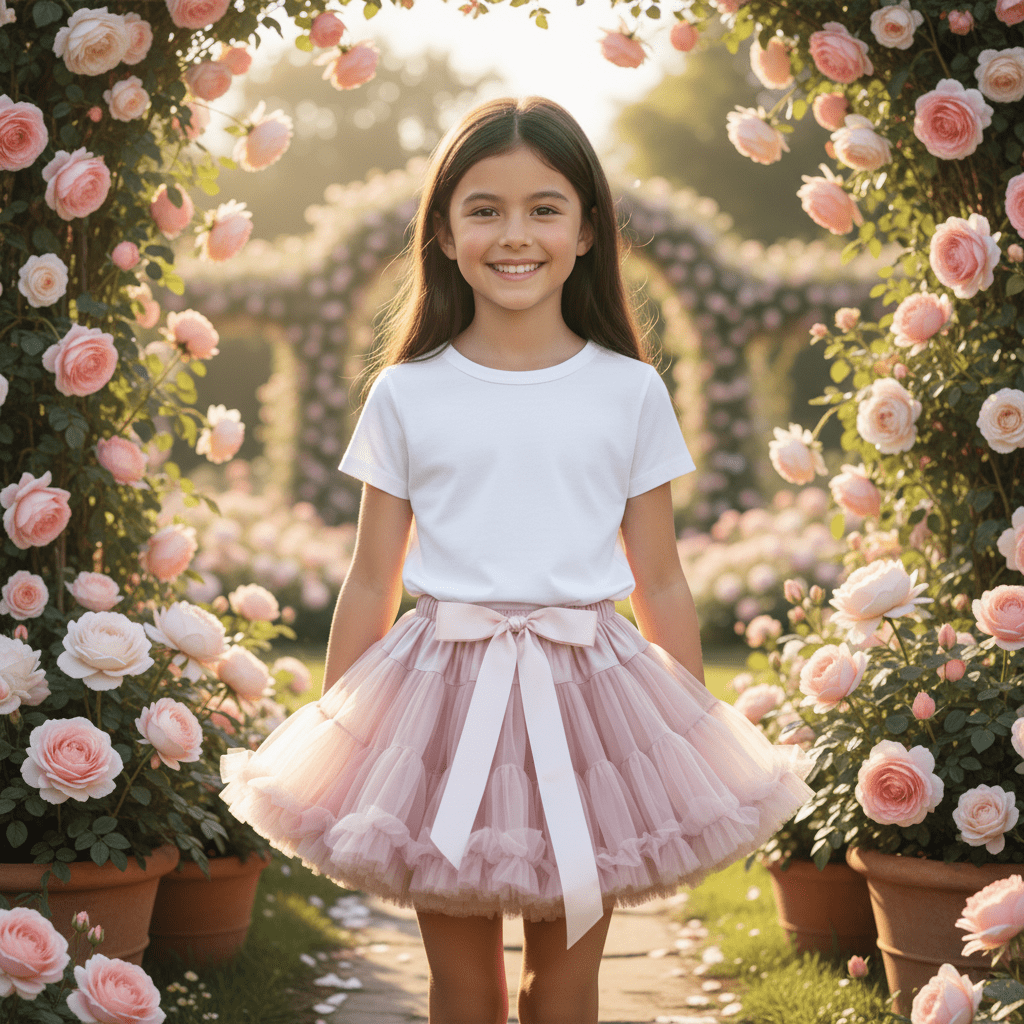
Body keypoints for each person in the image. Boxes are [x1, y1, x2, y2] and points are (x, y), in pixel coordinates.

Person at [220, 95, 813, 1024]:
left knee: (565, 983)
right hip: (437, 699)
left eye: (545, 208)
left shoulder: (629, 391)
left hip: (593, 701)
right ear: (445, 233)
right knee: (462, 986)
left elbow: (659, 575)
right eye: (484, 209)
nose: (515, 234)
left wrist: (689, 739)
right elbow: (373, 575)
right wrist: (344, 736)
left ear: (587, 231)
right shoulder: (407, 393)